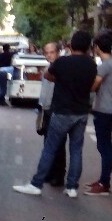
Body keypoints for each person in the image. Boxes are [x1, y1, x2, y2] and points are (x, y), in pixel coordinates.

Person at [13, 30, 97, 198]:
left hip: (62, 111)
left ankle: (36, 184)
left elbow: (47, 75)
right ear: (88, 47)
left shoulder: (63, 63)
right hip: (81, 112)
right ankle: (72, 186)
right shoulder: (91, 64)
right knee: (76, 150)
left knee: (50, 148)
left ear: (71, 45)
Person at [84, 32, 112, 196]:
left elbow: (94, 84)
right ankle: (102, 180)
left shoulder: (105, 65)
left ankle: (104, 182)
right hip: (109, 108)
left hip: (104, 109)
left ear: (97, 47)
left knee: (104, 147)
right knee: (105, 146)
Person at [38, 41, 66, 186]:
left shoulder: (61, 68)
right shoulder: (48, 68)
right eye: (46, 52)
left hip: (57, 110)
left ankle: (58, 175)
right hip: (47, 109)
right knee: (48, 142)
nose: (49, 55)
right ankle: (49, 172)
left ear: (58, 52)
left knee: (58, 144)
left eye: (52, 52)